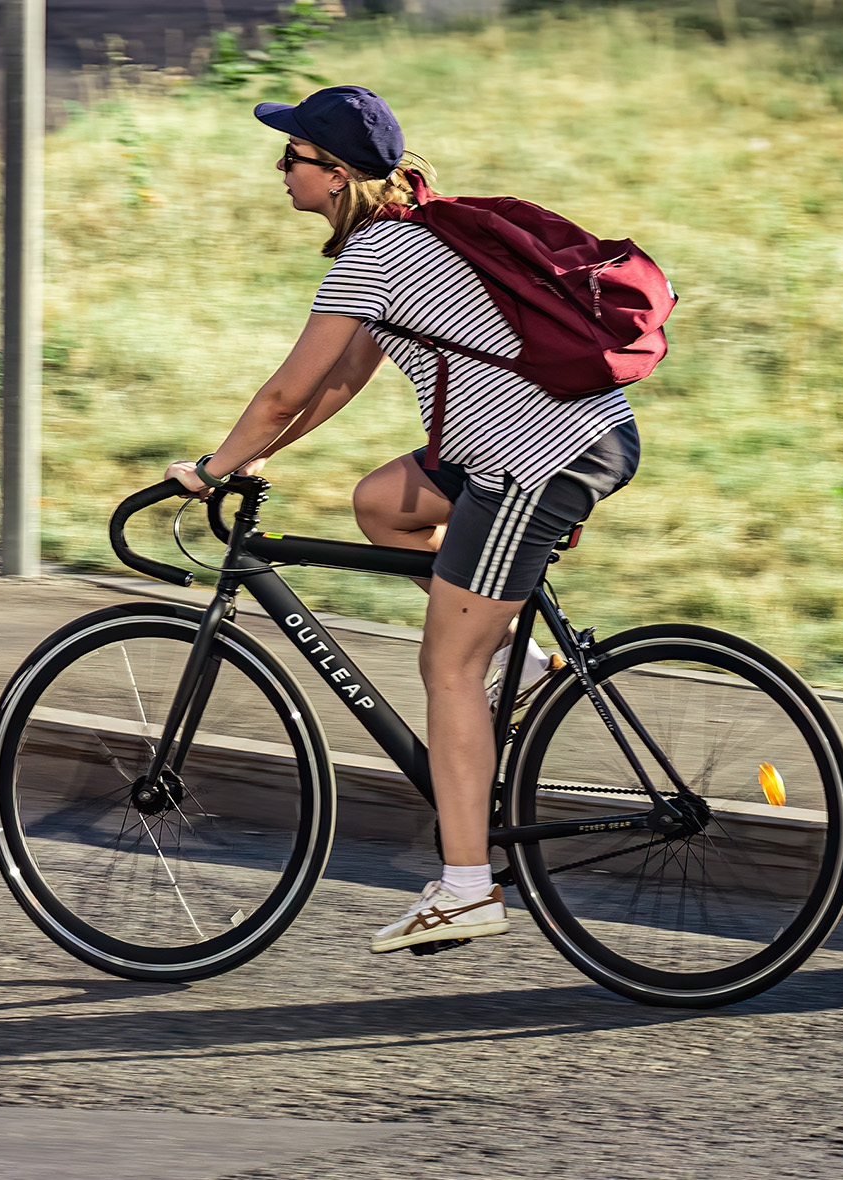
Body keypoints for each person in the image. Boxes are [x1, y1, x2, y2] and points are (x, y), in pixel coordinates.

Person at [166, 85, 640, 956]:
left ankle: (465, 891)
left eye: (294, 158)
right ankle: (528, 667)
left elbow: (285, 387)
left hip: (537, 462)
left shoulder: (376, 257)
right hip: (527, 443)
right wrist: (267, 450)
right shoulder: (405, 237)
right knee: (381, 503)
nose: (280, 171)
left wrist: (210, 469)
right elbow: (336, 382)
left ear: (337, 174)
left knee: (446, 666)